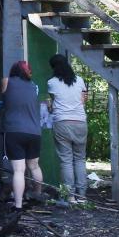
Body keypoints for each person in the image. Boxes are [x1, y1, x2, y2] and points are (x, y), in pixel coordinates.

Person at [0, 60, 44, 210]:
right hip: (34, 132)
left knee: (19, 170)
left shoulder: (6, 81)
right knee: (34, 166)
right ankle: (37, 195)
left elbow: (4, 100)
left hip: (14, 130)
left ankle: (18, 205)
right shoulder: (34, 87)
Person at [47, 54, 89, 203]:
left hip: (62, 123)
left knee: (66, 160)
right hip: (80, 122)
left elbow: (53, 104)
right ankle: (82, 195)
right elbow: (84, 101)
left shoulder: (52, 83)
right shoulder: (80, 81)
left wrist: (49, 107)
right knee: (80, 159)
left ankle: (69, 195)